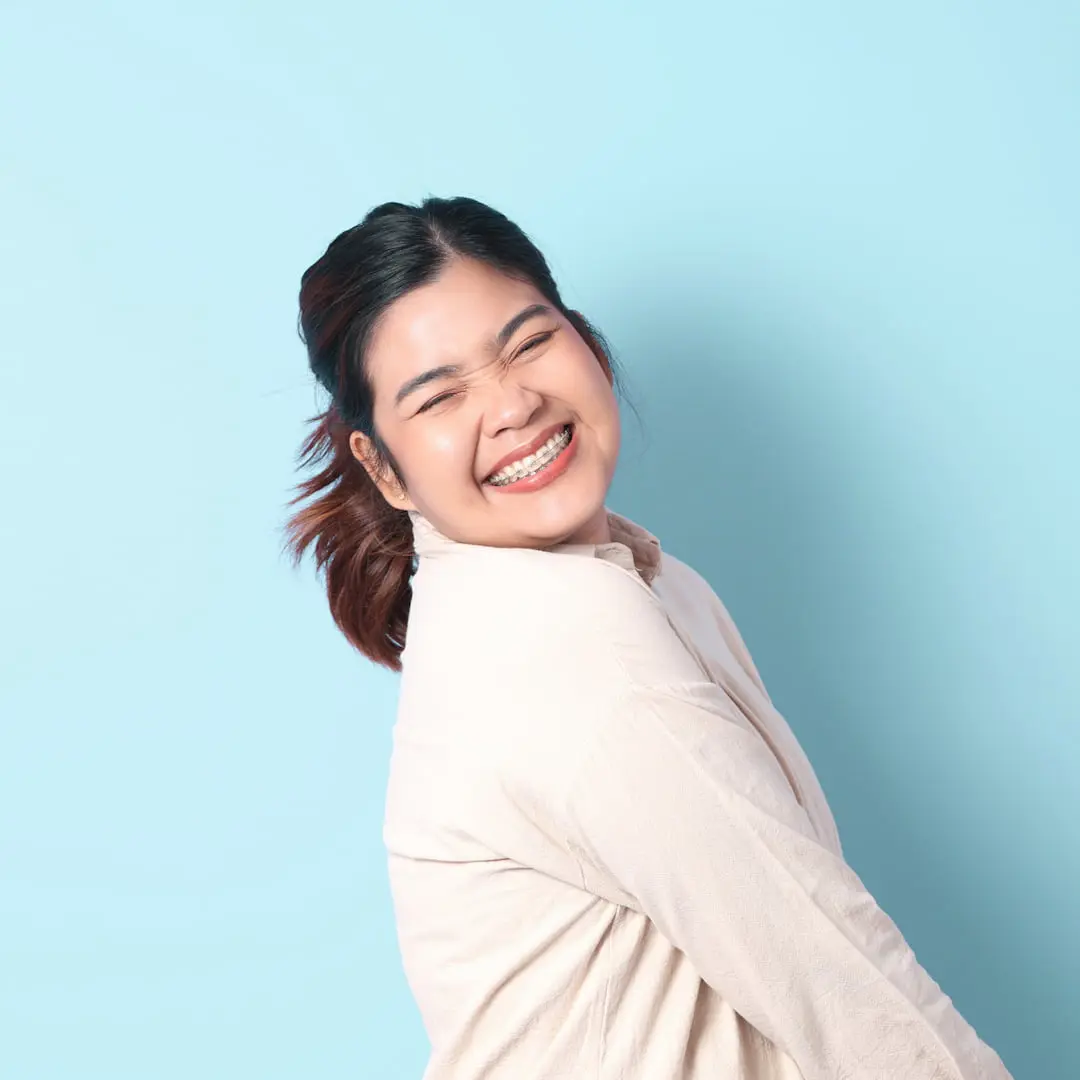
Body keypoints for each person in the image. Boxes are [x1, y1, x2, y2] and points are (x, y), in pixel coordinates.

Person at [284, 196, 1012, 1079]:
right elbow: (830, 970)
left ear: (583, 337)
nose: (512, 405)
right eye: (440, 397)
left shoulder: (616, 585)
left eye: (528, 342)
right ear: (382, 467)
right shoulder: (563, 640)